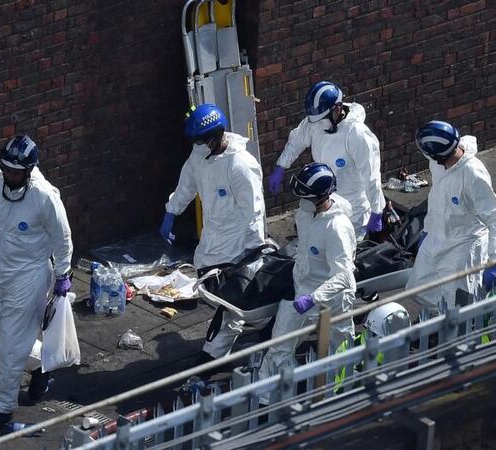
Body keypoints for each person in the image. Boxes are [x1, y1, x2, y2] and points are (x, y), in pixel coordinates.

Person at [0, 135, 73, 431]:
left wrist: (63, 275)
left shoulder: (44, 196)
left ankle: (1, 413)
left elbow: (63, 239)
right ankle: (40, 365)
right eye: (6, 170)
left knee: (11, 347)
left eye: (16, 172)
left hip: (30, 277)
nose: (10, 176)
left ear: (29, 170)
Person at [159, 104, 266, 360]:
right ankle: (263, 320)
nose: (198, 145)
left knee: (232, 300)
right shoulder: (200, 155)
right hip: (213, 239)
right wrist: (170, 213)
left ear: (217, 135)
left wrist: (254, 251)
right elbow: (186, 185)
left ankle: (214, 355)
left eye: (202, 140)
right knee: (211, 287)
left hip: (238, 243)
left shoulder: (240, 165)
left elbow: (254, 212)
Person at [258, 163, 356, 388]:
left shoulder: (336, 228)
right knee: (280, 344)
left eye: (305, 198)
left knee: (338, 349)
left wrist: (314, 298)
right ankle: (268, 397)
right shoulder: (305, 214)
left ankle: (339, 391)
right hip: (300, 288)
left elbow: (344, 277)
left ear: (320, 197)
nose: (299, 203)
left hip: (331, 299)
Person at [405, 121, 496, 313]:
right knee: (419, 288)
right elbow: (438, 203)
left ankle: (458, 329)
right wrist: (427, 231)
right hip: (437, 235)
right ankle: (440, 319)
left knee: (458, 303)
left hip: (464, 245)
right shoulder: (439, 162)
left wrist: (494, 261)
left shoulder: (472, 174)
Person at [267, 81, 385, 241]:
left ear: (337, 109)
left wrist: (377, 211)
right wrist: (281, 166)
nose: (319, 124)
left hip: (353, 208)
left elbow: (371, 176)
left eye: (322, 119)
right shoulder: (317, 121)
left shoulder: (357, 134)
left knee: (344, 251)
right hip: (325, 200)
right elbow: (297, 140)